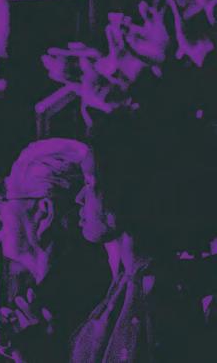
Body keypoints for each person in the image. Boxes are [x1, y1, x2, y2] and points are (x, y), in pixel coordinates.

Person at [72, 112, 217, 361]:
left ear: (121, 192)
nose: (79, 198)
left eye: (88, 182)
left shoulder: (157, 297)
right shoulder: (132, 281)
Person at [0, 138, 107, 363]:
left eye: (6, 198)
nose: (1, 210)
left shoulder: (61, 309)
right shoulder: (93, 285)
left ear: (43, 212)